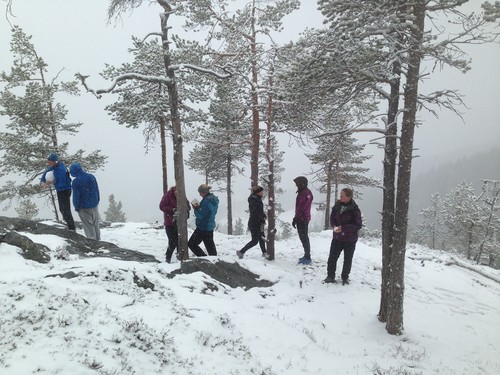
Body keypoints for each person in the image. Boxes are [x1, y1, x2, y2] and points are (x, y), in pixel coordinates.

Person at [324, 188, 362, 285]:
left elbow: (358, 225)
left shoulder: (355, 209)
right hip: (337, 238)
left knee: (347, 259)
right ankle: (330, 276)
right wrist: (334, 226)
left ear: (349, 197)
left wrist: (343, 228)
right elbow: (332, 218)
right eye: (340, 196)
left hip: (350, 239)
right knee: (332, 257)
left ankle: (345, 277)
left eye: (343, 196)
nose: (340, 198)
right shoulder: (337, 205)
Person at [40, 152, 76, 231]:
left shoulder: (60, 169)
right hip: (60, 190)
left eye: (50, 161)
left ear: (54, 161)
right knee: (62, 209)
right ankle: (69, 225)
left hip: (65, 190)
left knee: (65, 209)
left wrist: (51, 182)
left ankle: (71, 227)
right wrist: (43, 181)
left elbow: (62, 183)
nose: (48, 163)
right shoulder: (54, 167)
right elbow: (46, 172)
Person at [69, 162, 101, 240]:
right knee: (95, 223)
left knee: (88, 225)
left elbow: (76, 196)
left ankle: (92, 242)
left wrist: (76, 206)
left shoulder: (76, 182)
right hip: (94, 205)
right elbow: (97, 190)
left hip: (84, 207)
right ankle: (98, 240)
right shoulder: (91, 177)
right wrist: (97, 200)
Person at [236, 186, 269, 259]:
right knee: (255, 241)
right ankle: (241, 252)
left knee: (262, 238)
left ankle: (264, 252)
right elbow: (255, 212)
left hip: (258, 222)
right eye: (261, 192)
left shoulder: (257, 199)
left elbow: (259, 211)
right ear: (257, 192)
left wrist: (263, 215)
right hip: (254, 223)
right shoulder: (254, 200)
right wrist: (261, 219)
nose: (262, 193)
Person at [159, 186, 190, 263]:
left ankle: (180, 258)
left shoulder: (182, 195)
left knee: (180, 241)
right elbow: (161, 206)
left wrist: (185, 208)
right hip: (170, 222)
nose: (177, 195)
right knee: (172, 241)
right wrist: (172, 209)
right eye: (176, 193)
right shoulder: (168, 195)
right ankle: (168, 258)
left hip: (180, 223)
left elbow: (188, 206)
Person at [188, 184, 219, 257]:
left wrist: (196, 208)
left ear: (203, 192)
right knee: (210, 248)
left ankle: (204, 259)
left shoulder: (206, 201)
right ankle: (214, 262)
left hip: (203, 227)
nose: (199, 194)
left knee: (191, 244)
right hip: (209, 226)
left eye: (200, 192)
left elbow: (200, 215)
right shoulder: (213, 199)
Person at [292, 176, 314, 265]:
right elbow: (299, 208)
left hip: (302, 219)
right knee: (303, 237)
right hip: (302, 218)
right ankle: (306, 255)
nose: (296, 185)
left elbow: (301, 208)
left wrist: (296, 218)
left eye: (297, 184)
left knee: (304, 237)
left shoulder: (305, 193)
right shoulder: (303, 192)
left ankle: (307, 257)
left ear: (302, 184)